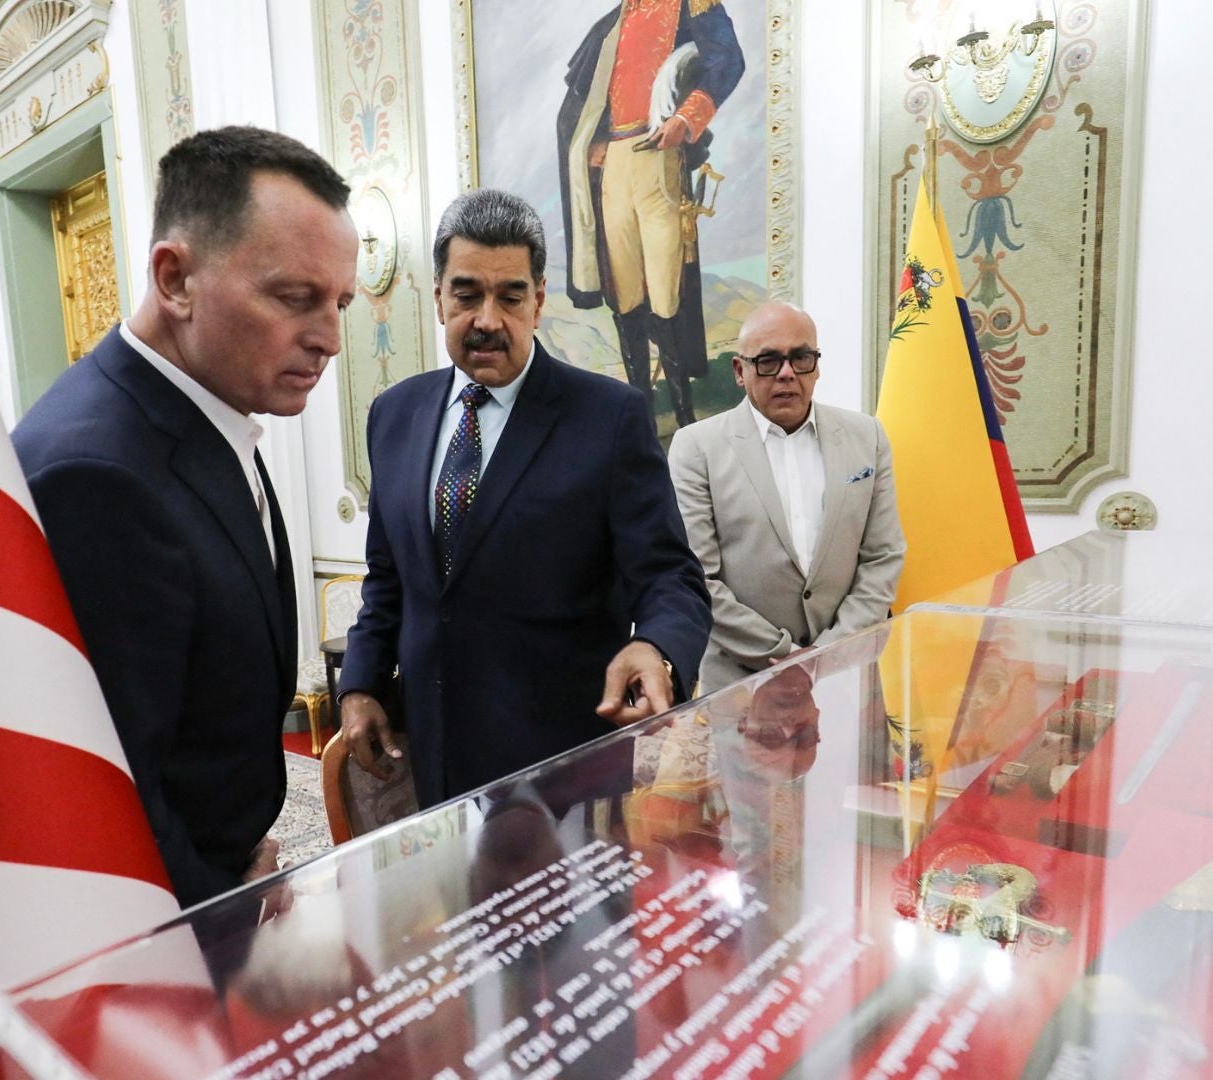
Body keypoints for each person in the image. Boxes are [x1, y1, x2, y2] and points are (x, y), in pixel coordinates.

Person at [12, 127, 358, 905]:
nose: (331, 338)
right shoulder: (94, 475)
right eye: (295, 297)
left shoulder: (207, 408)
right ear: (175, 278)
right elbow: (103, 792)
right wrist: (221, 908)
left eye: (340, 301)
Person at [337, 189, 712, 807]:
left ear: (538, 301)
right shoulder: (393, 414)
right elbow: (388, 578)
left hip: (565, 769)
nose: (488, 318)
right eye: (466, 294)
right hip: (431, 754)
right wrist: (361, 685)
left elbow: (671, 575)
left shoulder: (609, 417)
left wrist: (657, 648)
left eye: (510, 296)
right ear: (438, 298)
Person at [667, 301, 904, 691]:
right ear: (739, 371)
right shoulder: (697, 448)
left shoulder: (868, 437)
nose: (787, 374)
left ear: (817, 364)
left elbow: (883, 556)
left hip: (848, 675)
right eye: (768, 361)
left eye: (801, 357)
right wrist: (784, 656)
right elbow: (697, 577)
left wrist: (827, 654)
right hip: (741, 685)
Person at [557, 0, 745, 431]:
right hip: (613, 167)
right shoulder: (612, 23)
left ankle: (683, 418)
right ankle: (639, 419)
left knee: (667, 295)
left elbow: (728, 60)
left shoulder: (690, 6)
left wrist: (686, 117)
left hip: (659, 155)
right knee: (624, 296)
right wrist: (594, 141)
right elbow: (584, 102)